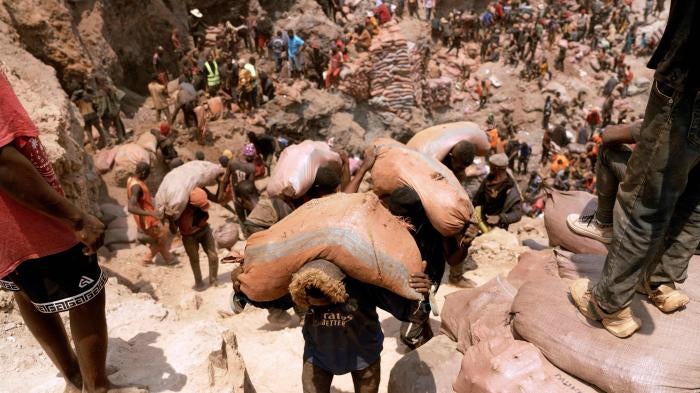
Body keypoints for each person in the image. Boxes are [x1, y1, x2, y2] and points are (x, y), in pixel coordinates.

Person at [569, 1, 699, 338]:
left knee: (644, 202)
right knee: (693, 201)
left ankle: (608, 305)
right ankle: (661, 282)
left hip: (688, 87)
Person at [0, 70, 117, 393]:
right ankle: (97, 387)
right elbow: (4, 163)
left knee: (23, 288)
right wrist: (76, 219)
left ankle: (75, 377)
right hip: (22, 218)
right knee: (88, 294)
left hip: (6, 231)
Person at [231, 259, 430, 393]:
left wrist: (422, 294)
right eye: (312, 306)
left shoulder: (362, 284)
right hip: (318, 355)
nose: (317, 309)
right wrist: (242, 288)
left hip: (364, 354)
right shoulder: (299, 287)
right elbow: (269, 298)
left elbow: (410, 311)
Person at [127, 162, 175, 266]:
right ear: (143, 173)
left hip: (146, 217)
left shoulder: (131, 180)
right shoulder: (137, 187)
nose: (147, 178)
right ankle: (146, 259)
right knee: (163, 235)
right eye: (147, 175)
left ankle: (169, 258)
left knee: (160, 237)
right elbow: (130, 207)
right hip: (148, 220)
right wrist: (150, 213)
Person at [172, 187, 219, 291]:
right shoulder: (180, 210)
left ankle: (213, 280)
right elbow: (173, 229)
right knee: (194, 260)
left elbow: (217, 199)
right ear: (192, 204)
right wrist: (171, 219)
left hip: (204, 230)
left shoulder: (200, 195)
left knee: (213, 256)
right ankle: (199, 282)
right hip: (189, 237)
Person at [472, 153, 523, 230]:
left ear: (496, 168)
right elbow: (477, 199)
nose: (489, 167)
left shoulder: (510, 188)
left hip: (498, 228)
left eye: (490, 165)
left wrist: (499, 218)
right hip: (481, 223)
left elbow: (517, 214)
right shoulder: (488, 180)